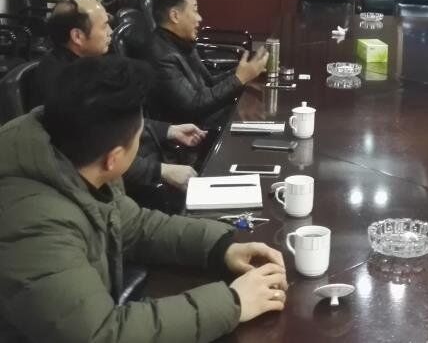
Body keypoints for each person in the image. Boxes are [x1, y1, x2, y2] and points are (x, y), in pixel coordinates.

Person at [0, 56, 287, 342]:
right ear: (113, 158)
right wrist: (233, 303)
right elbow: (102, 334)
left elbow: (134, 225)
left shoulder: (74, 155)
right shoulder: (32, 225)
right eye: (138, 137)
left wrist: (220, 248)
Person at [38, 0, 201, 191]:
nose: (111, 32)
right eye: (104, 26)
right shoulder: (66, 85)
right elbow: (95, 156)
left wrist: (168, 130)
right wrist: (161, 170)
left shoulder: (85, 65)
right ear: (77, 36)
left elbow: (116, 119)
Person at [146, 0, 268, 126]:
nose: (199, 18)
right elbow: (193, 106)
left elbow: (209, 83)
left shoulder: (181, 42)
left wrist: (246, 71)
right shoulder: (162, 56)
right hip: (195, 130)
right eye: (195, 10)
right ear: (175, 16)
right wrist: (239, 79)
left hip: (209, 117)